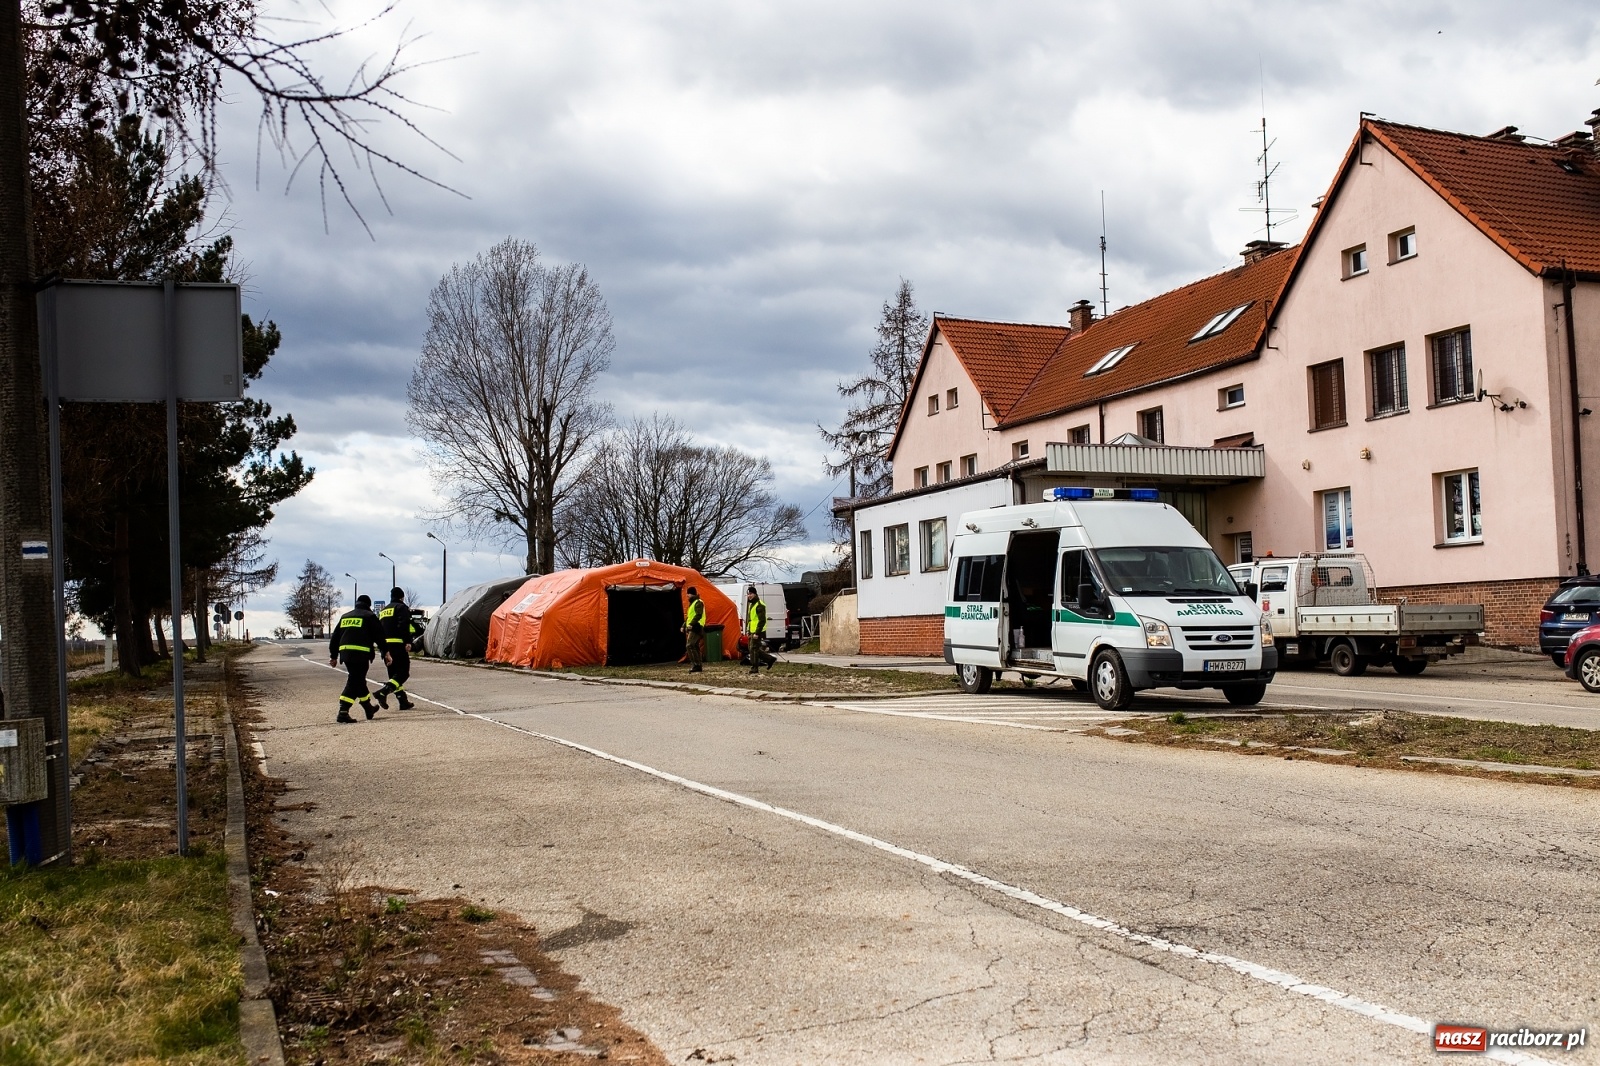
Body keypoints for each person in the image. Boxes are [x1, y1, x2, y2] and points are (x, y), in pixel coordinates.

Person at [327, 594, 389, 722]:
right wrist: (386, 653)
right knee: (354, 681)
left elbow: (335, 637)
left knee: (358, 680)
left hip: (346, 654)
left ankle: (368, 708)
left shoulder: (345, 617)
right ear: (369, 605)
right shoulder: (369, 616)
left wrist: (333, 656)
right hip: (361, 655)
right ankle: (343, 711)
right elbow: (380, 636)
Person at [373, 586, 415, 710]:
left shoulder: (383, 610)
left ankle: (403, 701)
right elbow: (404, 625)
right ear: (402, 597)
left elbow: (378, 630)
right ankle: (383, 692)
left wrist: (382, 649)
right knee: (403, 673)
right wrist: (408, 641)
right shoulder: (401, 607)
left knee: (394, 676)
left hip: (386, 647)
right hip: (398, 645)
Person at [745, 585, 776, 674]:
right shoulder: (752, 604)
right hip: (752, 630)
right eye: (748, 594)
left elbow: (762, 620)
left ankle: (754, 668)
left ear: (755, 594)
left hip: (757, 631)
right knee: (753, 649)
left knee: (753, 649)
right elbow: (751, 619)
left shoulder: (759, 605)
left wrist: (757, 633)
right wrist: (748, 630)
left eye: (751, 594)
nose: (749, 596)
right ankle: (770, 659)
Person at [683, 586, 706, 672]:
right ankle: (698, 665)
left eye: (688, 594)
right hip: (693, 626)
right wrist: (684, 626)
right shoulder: (692, 603)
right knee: (695, 646)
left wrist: (691, 624)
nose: (687, 596)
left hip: (697, 626)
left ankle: (696, 664)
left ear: (691, 594)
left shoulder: (698, 602)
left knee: (690, 645)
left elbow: (698, 615)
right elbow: (689, 617)